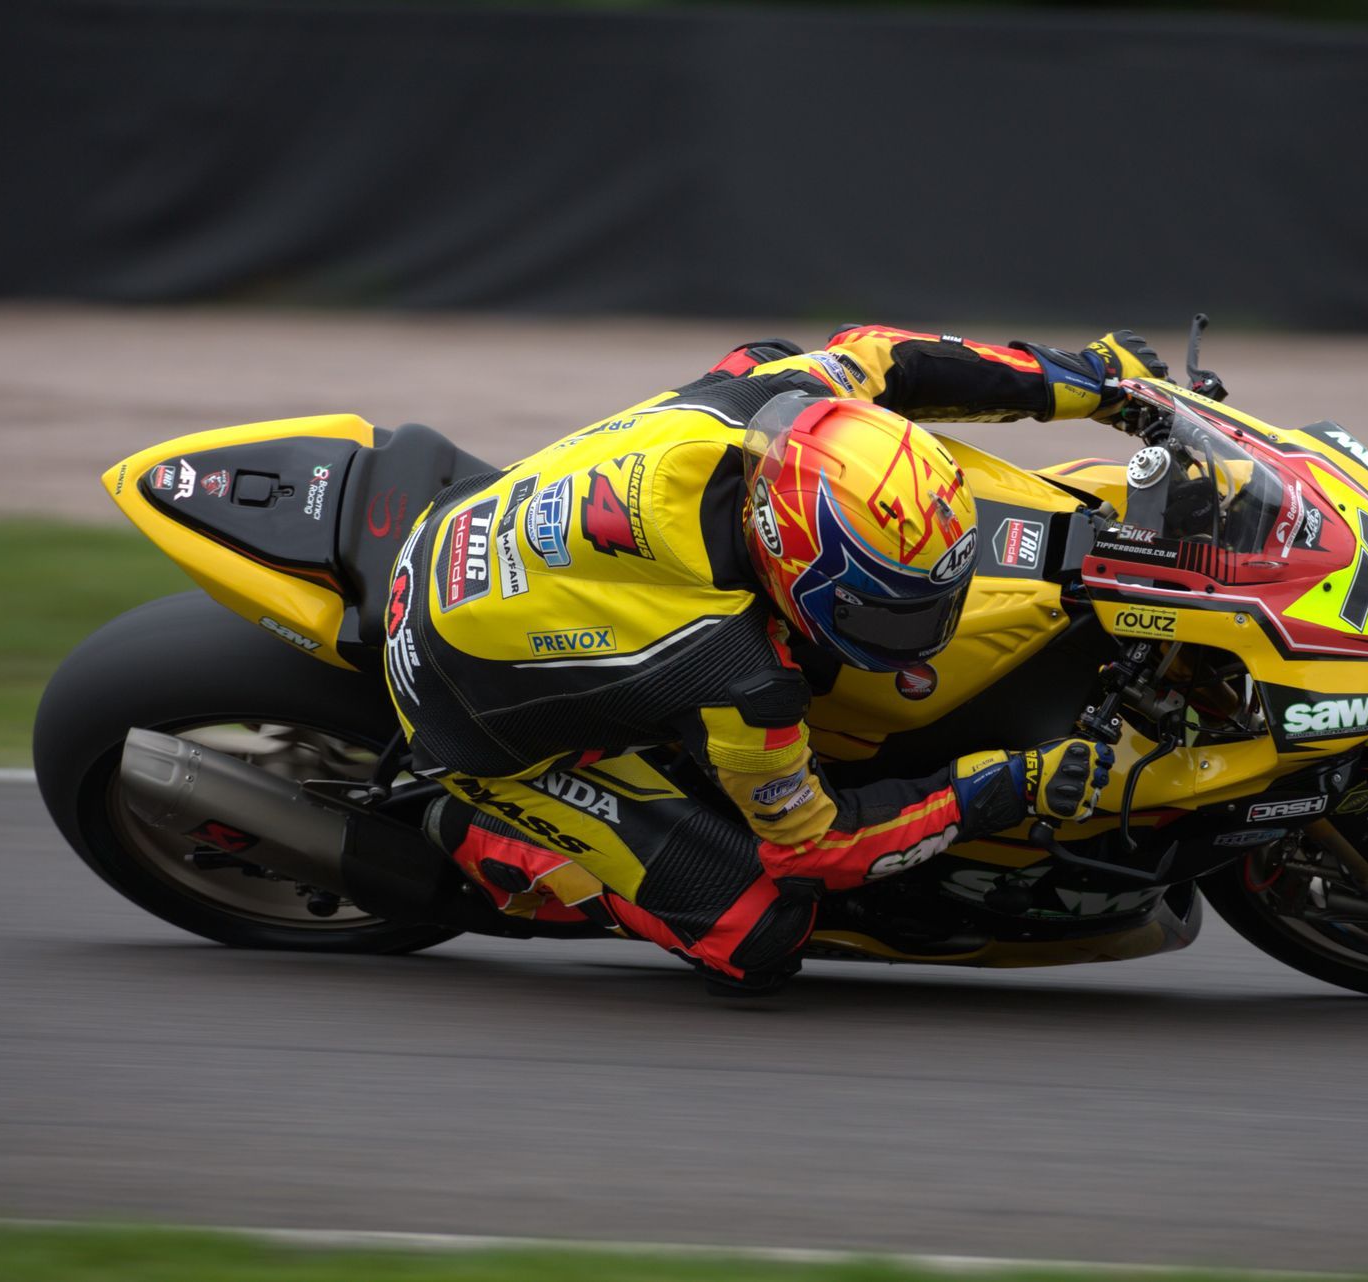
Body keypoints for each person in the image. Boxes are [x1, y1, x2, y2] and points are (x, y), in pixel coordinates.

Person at [382, 324, 1167, 992]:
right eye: (891, 613)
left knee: (762, 352)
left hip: (477, 535)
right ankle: (472, 830)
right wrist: (1005, 784)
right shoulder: (732, 670)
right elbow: (814, 846)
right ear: (792, 565)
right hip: (456, 696)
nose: (926, 628)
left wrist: (1093, 380)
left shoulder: (770, 406)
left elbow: (887, 356)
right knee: (757, 931)